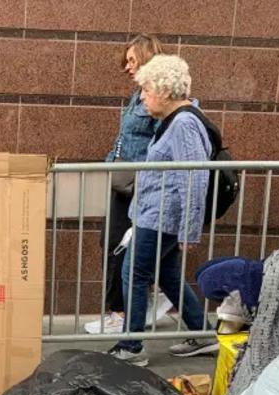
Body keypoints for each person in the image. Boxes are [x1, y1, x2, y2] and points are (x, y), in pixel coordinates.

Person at [108, 54, 217, 366]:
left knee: (134, 273)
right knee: (167, 274)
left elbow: (194, 177)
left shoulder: (182, 124)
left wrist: (188, 229)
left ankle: (132, 347)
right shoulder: (176, 120)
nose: (142, 96)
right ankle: (202, 334)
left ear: (165, 90)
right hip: (158, 215)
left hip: (161, 217)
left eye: (146, 89)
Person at [90, 33, 168, 336]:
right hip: (123, 183)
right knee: (114, 245)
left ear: (147, 60)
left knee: (116, 246)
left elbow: (162, 144)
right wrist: (109, 167)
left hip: (138, 186)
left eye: (132, 60)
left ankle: (120, 312)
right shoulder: (138, 96)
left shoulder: (158, 98)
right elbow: (124, 140)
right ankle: (141, 301)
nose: (126, 67)